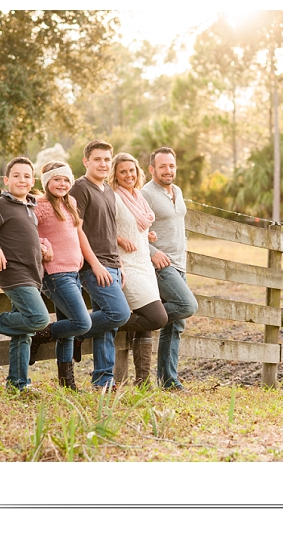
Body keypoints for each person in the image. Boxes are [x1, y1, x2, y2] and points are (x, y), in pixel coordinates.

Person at [0, 156, 51, 393]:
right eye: (16, 175)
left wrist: (41, 247)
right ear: (6, 180)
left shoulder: (29, 206)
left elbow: (24, 236)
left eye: (27, 176)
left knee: (22, 333)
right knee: (38, 320)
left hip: (33, 274)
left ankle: (18, 383)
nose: (22, 180)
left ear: (32, 180)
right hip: (14, 274)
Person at [69, 140, 131, 390]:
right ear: (86, 161)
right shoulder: (80, 188)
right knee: (119, 313)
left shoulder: (107, 190)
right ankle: (76, 331)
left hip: (112, 263)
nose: (103, 164)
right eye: (97, 159)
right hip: (93, 265)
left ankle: (103, 379)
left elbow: (110, 230)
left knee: (109, 324)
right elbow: (77, 230)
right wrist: (94, 264)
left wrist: (119, 264)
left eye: (107, 159)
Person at [27, 161, 93, 391]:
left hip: (73, 272)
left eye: (66, 180)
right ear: (46, 182)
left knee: (68, 330)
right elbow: (26, 233)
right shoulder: (39, 205)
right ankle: (39, 335)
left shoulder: (70, 202)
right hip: (55, 274)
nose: (62, 184)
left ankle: (67, 383)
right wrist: (43, 246)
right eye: (56, 179)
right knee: (81, 323)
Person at [108, 152, 168, 387]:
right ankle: (99, 323)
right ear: (115, 174)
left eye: (131, 170)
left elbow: (136, 226)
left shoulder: (138, 198)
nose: (128, 175)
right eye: (122, 171)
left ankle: (142, 381)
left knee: (145, 319)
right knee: (156, 317)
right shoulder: (113, 197)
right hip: (127, 265)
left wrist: (146, 235)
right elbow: (100, 228)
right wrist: (119, 239)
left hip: (144, 264)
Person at [141, 147, 198, 391]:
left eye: (172, 166)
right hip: (161, 265)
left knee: (175, 324)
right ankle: (143, 317)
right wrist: (153, 253)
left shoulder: (177, 191)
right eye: (162, 166)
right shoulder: (146, 193)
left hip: (179, 263)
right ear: (152, 169)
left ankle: (168, 380)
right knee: (187, 306)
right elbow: (132, 229)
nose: (168, 170)